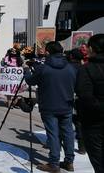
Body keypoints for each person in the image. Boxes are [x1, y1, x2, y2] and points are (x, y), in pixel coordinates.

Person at [24, 41, 76, 172]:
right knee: (68, 133)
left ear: (47, 52)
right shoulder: (71, 67)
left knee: (53, 134)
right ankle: (69, 162)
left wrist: (26, 71)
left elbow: (30, 81)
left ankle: (54, 163)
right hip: (67, 105)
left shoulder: (44, 68)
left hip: (49, 106)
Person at [75, 34, 104, 173]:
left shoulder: (86, 69)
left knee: (99, 163)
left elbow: (85, 97)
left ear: (91, 48)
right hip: (94, 119)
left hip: (94, 123)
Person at [66, 48, 86, 155]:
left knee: (65, 122)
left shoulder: (68, 67)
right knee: (79, 123)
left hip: (68, 97)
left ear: (71, 57)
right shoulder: (84, 68)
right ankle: (82, 147)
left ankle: (57, 144)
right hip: (81, 98)